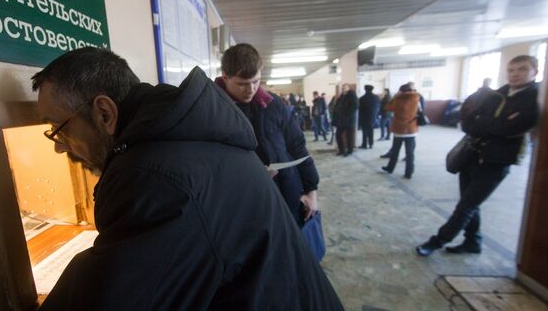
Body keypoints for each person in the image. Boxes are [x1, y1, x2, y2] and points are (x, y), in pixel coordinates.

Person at [33, 47, 345, 310]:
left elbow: (118, 298)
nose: (60, 146)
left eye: (59, 129)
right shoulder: (187, 135)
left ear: (104, 113)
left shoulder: (150, 174)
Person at [416, 55, 540, 257]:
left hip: (495, 162)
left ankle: (437, 241)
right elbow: (467, 122)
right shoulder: (497, 94)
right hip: (471, 155)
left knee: (466, 206)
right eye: (511, 70)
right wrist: (494, 124)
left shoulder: (535, 97)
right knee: (469, 202)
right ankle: (473, 242)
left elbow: (511, 127)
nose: (515, 74)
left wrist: (487, 123)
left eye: (522, 69)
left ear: (534, 71)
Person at [216, 43, 320, 226]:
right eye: (242, 84)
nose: (250, 89)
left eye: (256, 81)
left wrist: (311, 190)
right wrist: (250, 173)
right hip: (246, 206)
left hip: (288, 194)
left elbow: (297, 146)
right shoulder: (214, 111)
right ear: (225, 76)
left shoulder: (274, 104)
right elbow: (210, 165)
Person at [381, 84, 420, 179]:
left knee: (395, 151)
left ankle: (390, 168)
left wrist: (395, 96)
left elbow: (388, 107)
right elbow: (420, 110)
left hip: (399, 129)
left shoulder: (398, 99)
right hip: (411, 129)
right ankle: (409, 172)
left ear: (401, 91)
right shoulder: (416, 98)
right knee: (410, 153)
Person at [333, 84, 358, 156]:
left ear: (348, 88)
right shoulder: (341, 96)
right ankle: (341, 150)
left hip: (349, 120)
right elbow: (337, 107)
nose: (343, 89)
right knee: (338, 135)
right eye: (342, 87)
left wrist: (347, 115)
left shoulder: (352, 95)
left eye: (345, 88)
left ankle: (350, 151)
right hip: (340, 120)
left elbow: (355, 107)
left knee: (349, 136)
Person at [358, 84, 381, 149]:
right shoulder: (376, 97)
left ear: (365, 89)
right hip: (373, 116)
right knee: (371, 130)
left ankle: (364, 144)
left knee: (364, 131)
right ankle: (371, 144)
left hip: (364, 117)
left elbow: (360, 109)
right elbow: (379, 106)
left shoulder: (362, 98)